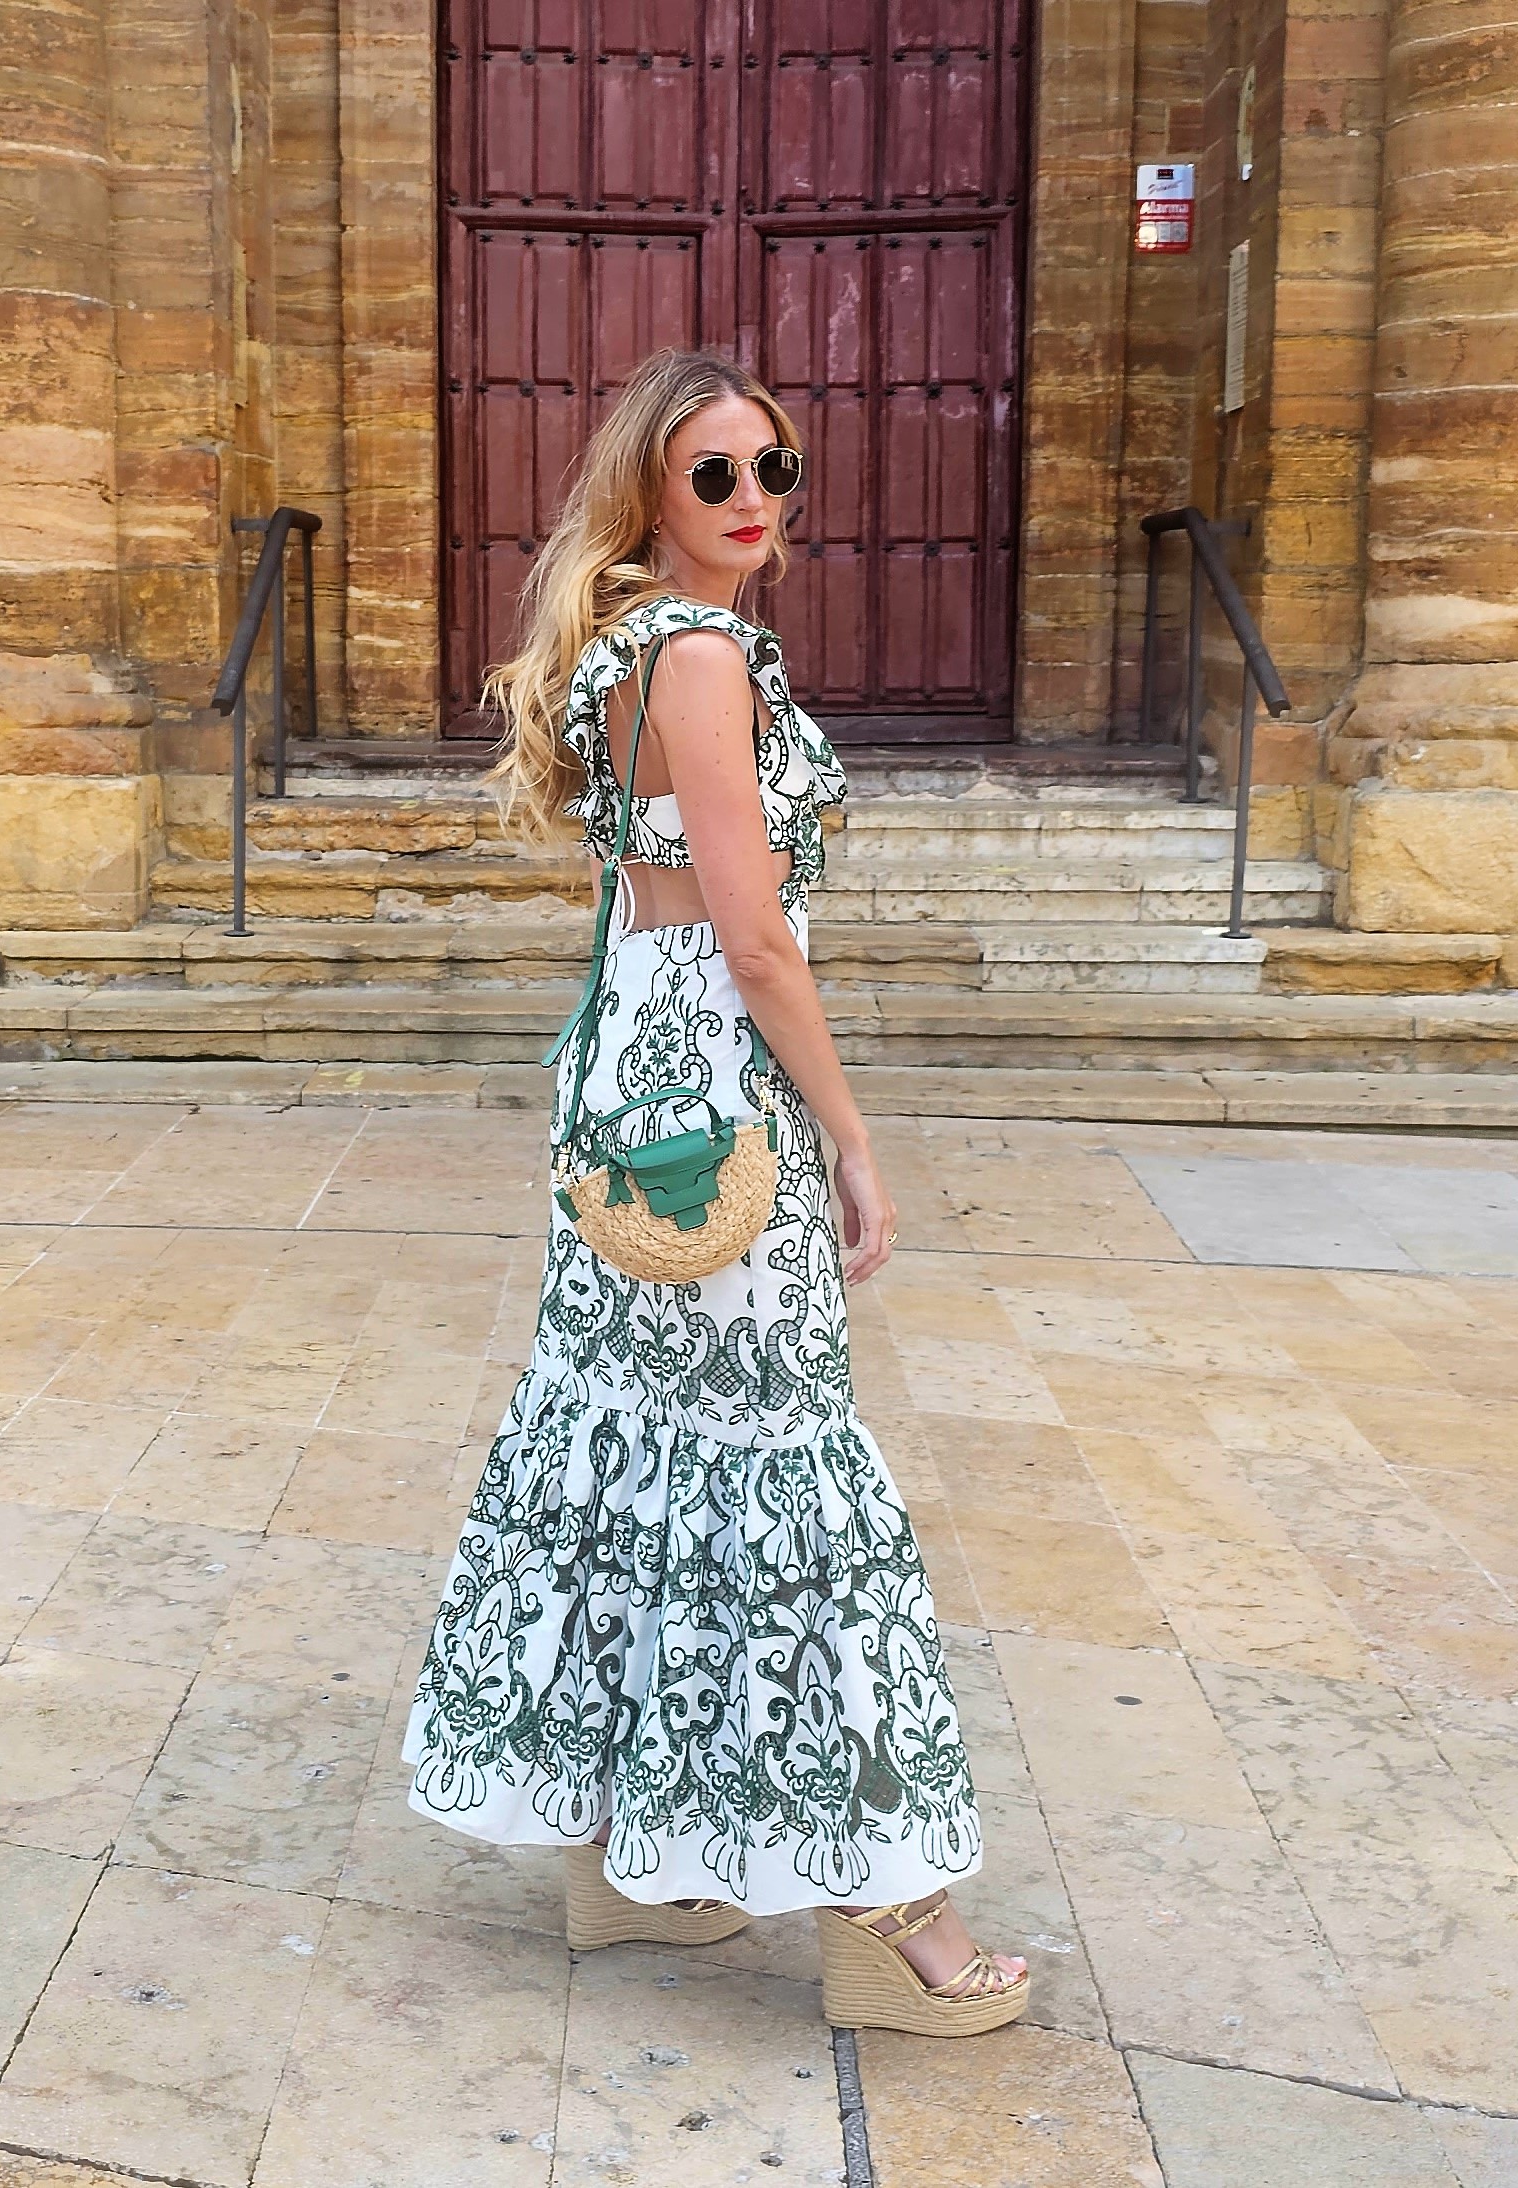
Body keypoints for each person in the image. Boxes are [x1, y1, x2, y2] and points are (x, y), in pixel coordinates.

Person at [402, 347, 1028, 2037]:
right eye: (716, 477)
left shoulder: (627, 651)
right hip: (720, 1101)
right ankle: (894, 1910)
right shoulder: (696, 656)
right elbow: (753, 938)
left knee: (635, 1447)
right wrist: (850, 1129)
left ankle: (633, 1867)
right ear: (650, 499)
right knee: (789, 1473)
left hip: (630, 1091)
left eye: (778, 470)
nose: (756, 503)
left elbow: (650, 908)